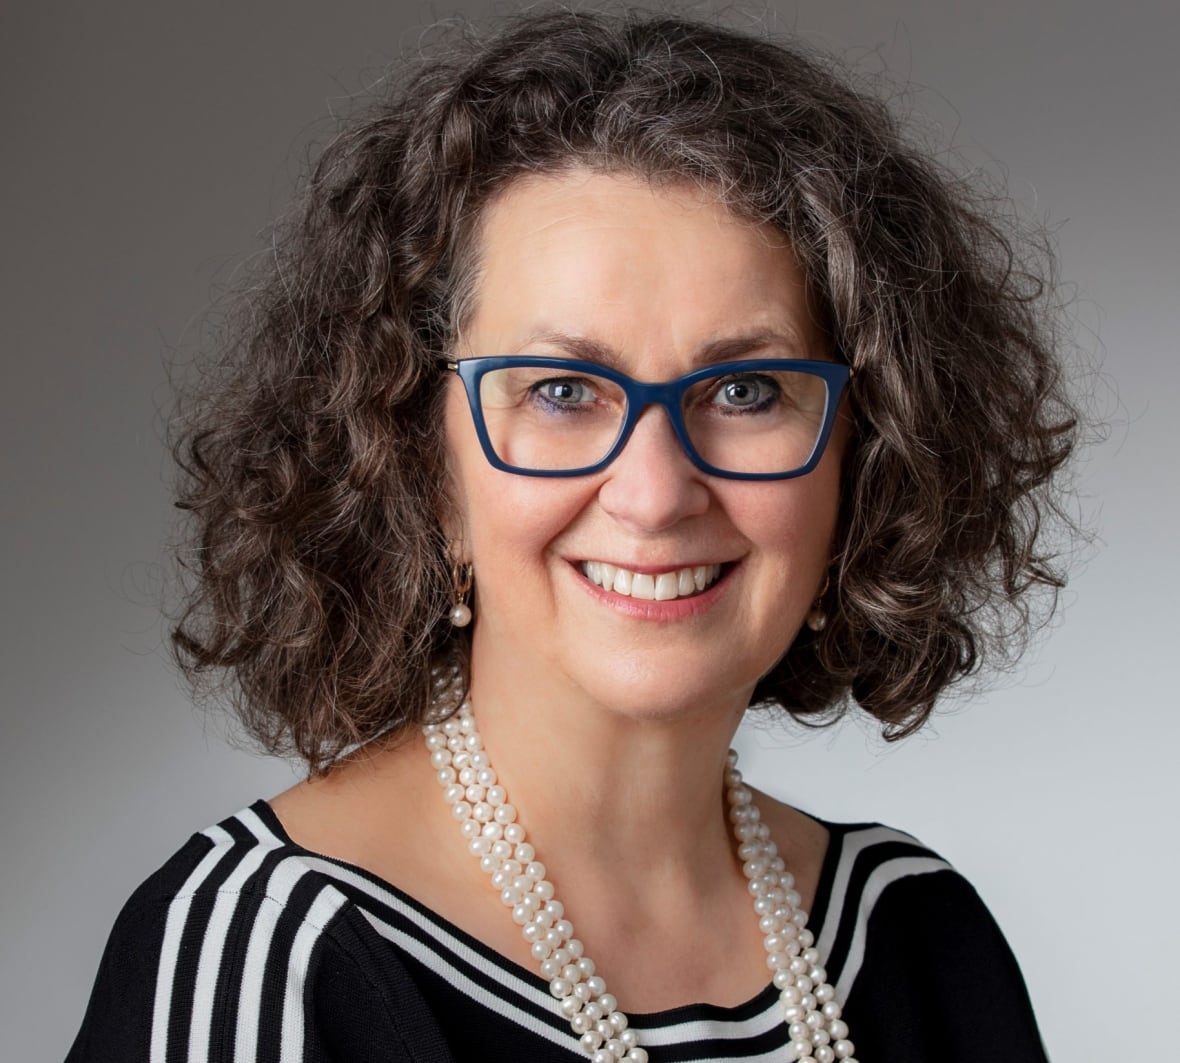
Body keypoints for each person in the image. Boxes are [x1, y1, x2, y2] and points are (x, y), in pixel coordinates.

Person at [68, 10, 1076, 1062]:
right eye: (560, 390)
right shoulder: (265, 954)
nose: (655, 492)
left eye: (744, 389)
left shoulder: (921, 937)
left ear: (863, 459)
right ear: (422, 463)